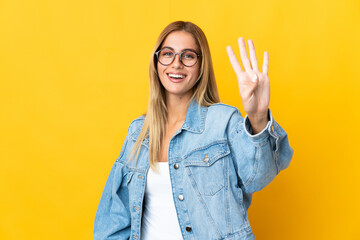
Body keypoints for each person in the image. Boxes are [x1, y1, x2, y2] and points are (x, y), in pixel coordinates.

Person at [94, 21, 293, 240]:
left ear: (201, 65)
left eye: (188, 56)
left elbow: (257, 177)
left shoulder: (223, 122)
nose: (176, 63)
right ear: (156, 61)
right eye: (167, 53)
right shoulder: (138, 132)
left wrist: (257, 117)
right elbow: (114, 219)